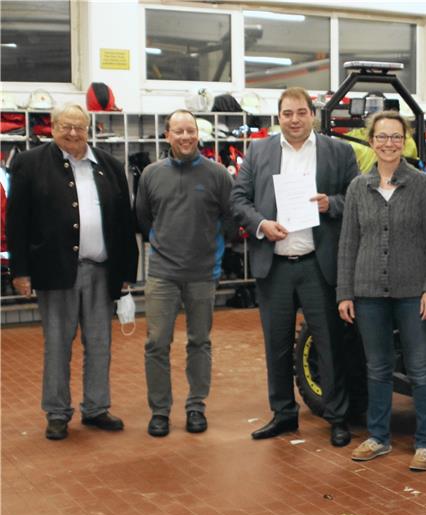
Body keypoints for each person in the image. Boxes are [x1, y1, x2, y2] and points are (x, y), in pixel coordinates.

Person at [230, 87, 359, 447]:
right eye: (287, 113)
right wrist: (261, 224)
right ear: (279, 116)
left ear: (312, 114)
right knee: (277, 344)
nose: (295, 120)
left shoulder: (338, 151)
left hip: (319, 265)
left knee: (330, 344)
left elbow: (356, 198)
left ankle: (336, 416)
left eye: (301, 112)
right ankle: (283, 414)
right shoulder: (259, 151)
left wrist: (329, 204)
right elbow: (238, 198)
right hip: (275, 266)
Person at [6, 103, 138, 440]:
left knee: (99, 344)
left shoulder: (109, 165)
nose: (73, 133)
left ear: (89, 128)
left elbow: (124, 223)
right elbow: (16, 222)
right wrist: (20, 271)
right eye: (66, 126)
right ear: (51, 126)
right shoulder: (29, 163)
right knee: (57, 345)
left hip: (101, 271)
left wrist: (126, 271)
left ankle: (96, 408)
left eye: (80, 126)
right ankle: (57, 412)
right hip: (55, 272)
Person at [337, 111, 426, 471]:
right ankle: (378, 437)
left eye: (396, 137)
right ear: (371, 141)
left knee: (420, 369)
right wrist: (345, 292)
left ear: (406, 141)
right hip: (367, 290)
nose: (388, 143)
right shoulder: (357, 187)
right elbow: (348, 242)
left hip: (413, 289)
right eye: (381, 137)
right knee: (378, 367)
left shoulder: (423, 184)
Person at [136, 109, 233, 437]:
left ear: (198, 134)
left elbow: (231, 218)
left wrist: (211, 251)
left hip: (203, 273)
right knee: (156, 343)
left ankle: (196, 407)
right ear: (167, 136)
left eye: (190, 130)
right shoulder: (151, 174)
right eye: (178, 131)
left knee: (199, 341)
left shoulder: (218, 174)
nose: (185, 137)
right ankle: (160, 411)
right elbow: (144, 218)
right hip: (162, 273)